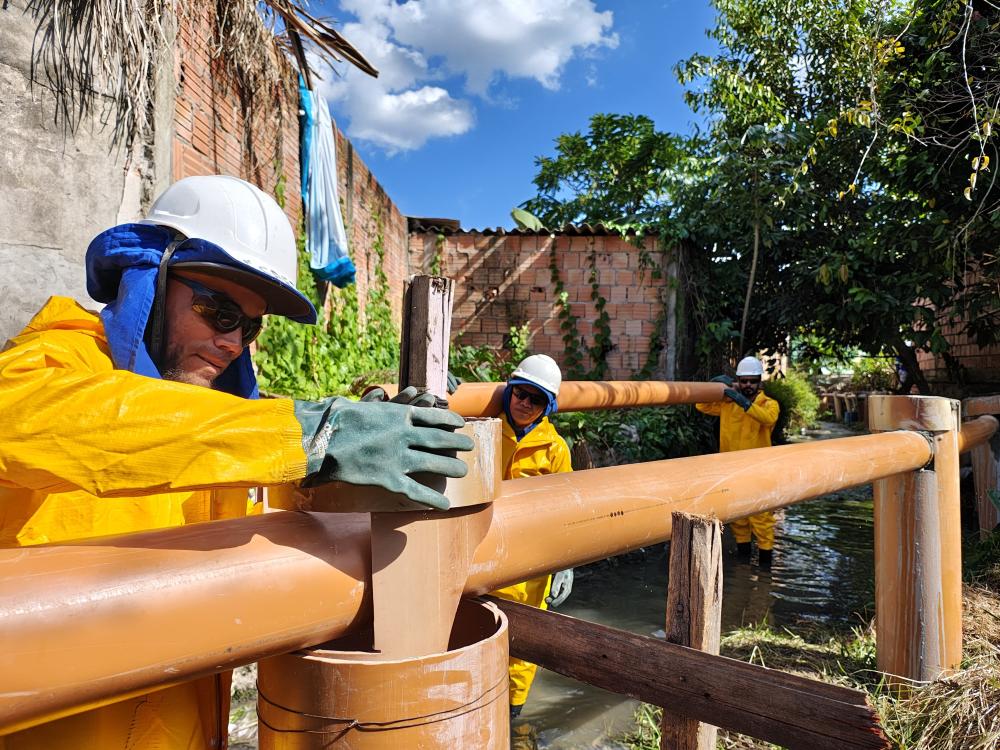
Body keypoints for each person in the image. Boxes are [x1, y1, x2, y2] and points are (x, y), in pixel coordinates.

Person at [0, 175, 473, 750]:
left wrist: (347, 444)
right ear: (148, 281)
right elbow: (42, 422)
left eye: (248, 326)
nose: (233, 342)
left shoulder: (226, 421)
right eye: (217, 310)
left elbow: (253, 471)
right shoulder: (49, 367)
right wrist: (307, 434)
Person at [488, 354, 573, 730]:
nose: (524, 403)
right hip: (485, 552)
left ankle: (513, 718)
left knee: (523, 642)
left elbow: (566, 510)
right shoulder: (486, 427)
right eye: (519, 393)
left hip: (531, 561)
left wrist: (565, 561)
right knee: (479, 629)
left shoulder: (555, 450)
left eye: (535, 399)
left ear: (547, 407)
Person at [696, 356, 781, 569]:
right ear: (739, 381)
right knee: (739, 520)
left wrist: (742, 401)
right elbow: (701, 405)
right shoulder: (727, 404)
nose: (748, 385)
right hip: (730, 471)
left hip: (759, 472)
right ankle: (743, 566)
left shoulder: (769, 404)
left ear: (760, 382)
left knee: (762, 520)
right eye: (744, 381)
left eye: (752, 381)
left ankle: (765, 571)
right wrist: (714, 386)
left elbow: (767, 419)